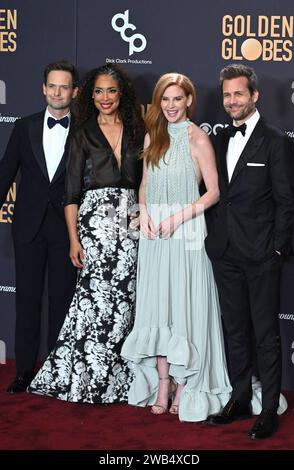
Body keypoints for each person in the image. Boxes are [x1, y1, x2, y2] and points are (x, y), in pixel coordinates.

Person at [28, 64, 145, 403]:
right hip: (94, 223)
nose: (104, 98)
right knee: (94, 303)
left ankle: (123, 382)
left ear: (120, 93)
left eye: (111, 90)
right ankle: (88, 379)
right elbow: (71, 194)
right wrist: (74, 239)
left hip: (131, 221)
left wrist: (142, 212)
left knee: (124, 303)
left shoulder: (137, 130)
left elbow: (146, 180)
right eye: (98, 91)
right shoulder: (82, 133)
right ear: (89, 96)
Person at [121, 72, 232, 422]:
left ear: (188, 101)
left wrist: (177, 218)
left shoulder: (198, 138)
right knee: (158, 313)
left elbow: (213, 192)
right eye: (164, 100)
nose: (170, 106)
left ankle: (186, 387)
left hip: (185, 235)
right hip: (155, 238)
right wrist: (146, 216)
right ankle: (164, 384)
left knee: (184, 312)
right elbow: (143, 186)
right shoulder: (154, 136)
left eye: (177, 99)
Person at [205, 64, 294, 439]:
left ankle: (269, 409)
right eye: (227, 95)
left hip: (261, 255)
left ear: (254, 96)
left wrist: (275, 249)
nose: (232, 101)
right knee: (235, 330)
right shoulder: (221, 139)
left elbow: (287, 201)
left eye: (238, 94)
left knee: (265, 334)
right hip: (225, 251)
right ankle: (240, 398)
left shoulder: (276, 141)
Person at [0, 60, 79, 393]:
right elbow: (5, 173)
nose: (58, 92)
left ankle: (57, 371)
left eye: (65, 87)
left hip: (67, 230)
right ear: (44, 89)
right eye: (53, 86)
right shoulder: (24, 126)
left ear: (74, 92)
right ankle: (24, 371)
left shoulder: (86, 131)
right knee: (27, 300)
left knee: (62, 301)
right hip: (28, 228)